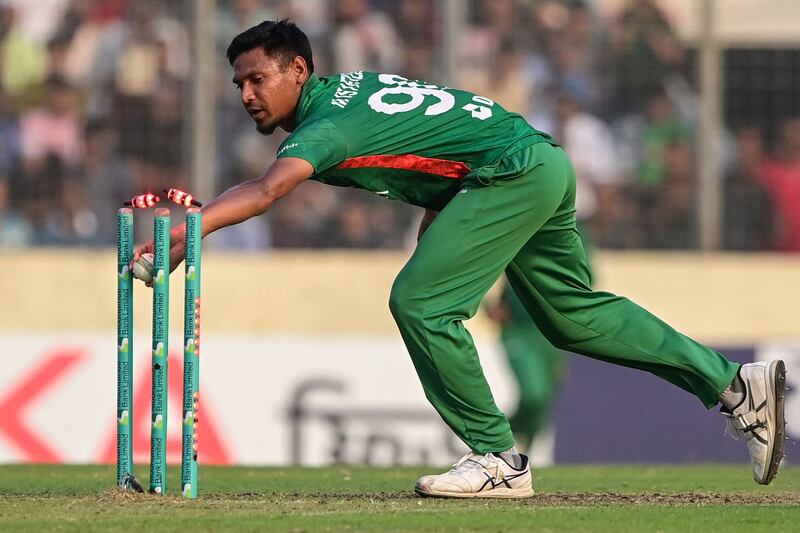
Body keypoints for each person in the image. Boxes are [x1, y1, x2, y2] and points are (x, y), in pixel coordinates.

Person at [133, 20, 786, 498]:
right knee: (574, 316)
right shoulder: (346, 94)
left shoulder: (325, 127)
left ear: (298, 70)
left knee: (419, 300)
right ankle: (735, 385)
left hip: (509, 173)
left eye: (258, 78)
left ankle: (498, 457)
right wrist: (437, 231)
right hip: (538, 161)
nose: (247, 94)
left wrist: (189, 227)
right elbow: (436, 150)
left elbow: (268, 190)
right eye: (239, 82)